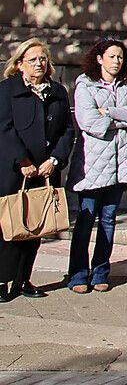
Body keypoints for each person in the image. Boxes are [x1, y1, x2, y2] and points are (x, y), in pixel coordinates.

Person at [67, 39, 127, 293]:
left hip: (120, 165)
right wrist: (123, 115)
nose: (116, 61)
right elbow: (89, 122)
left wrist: (110, 113)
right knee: (85, 219)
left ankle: (101, 271)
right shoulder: (85, 85)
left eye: (120, 57)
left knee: (109, 219)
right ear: (100, 58)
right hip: (92, 166)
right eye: (112, 56)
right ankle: (78, 275)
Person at [0, 40, 72, 300]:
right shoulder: (8, 90)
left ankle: (23, 280)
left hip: (44, 171)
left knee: (35, 227)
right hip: (13, 171)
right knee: (9, 226)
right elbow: (4, 128)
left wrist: (54, 160)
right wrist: (22, 161)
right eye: (33, 60)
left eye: (43, 59)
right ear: (20, 64)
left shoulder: (58, 92)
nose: (39, 64)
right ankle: (2, 281)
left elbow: (67, 130)